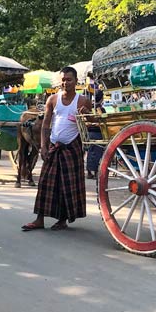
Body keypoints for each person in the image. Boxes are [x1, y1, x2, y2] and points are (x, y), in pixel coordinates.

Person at [22, 66, 92, 231]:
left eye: (69, 79)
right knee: (45, 182)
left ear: (76, 82)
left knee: (67, 185)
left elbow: (91, 122)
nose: (65, 83)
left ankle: (62, 220)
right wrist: (44, 145)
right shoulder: (52, 99)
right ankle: (39, 220)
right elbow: (46, 124)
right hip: (54, 145)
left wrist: (87, 115)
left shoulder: (82, 101)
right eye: (63, 79)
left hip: (72, 147)